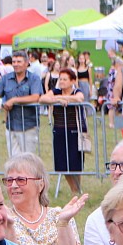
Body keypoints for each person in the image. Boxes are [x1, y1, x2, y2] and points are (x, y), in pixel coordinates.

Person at [3, 152, 85, 245]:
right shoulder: (5, 219)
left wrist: (63, 223)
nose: (13, 185)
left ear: (40, 184)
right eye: (9, 180)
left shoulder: (58, 215)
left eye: (20, 180)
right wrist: (8, 225)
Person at [40, 66, 86, 194]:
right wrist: (58, 99)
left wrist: (65, 99)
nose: (62, 81)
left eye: (65, 79)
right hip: (59, 129)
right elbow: (43, 99)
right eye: (60, 79)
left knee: (75, 161)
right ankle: (74, 188)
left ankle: (77, 187)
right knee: (62, 161)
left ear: (72, 81)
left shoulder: (77, 91)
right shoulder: (55, 91)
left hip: (75, 131)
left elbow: (79, 99)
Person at [0, 50, 41, 154]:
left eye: (19, 61)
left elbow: (35, 97)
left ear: (27, 63)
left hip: (28, 125)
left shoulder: (34, 79)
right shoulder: (6, 79)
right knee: (13, 160)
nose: (16, 64)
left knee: (27, 160)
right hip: (11, 126)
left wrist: (14, 100)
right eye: (14, 62)